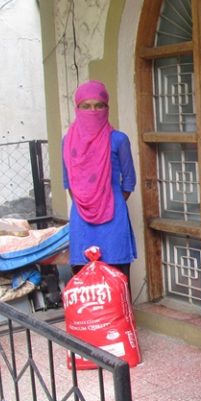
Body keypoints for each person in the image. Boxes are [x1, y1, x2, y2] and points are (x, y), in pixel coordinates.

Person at [62, 80, 137, 279]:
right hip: (81, 217)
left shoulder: (118, 139)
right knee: (85, 278)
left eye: (98, 106)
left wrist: (109, 201)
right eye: (86, 106)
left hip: (113, 216)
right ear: (77, 108)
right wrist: (88, 201)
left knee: (117, 277)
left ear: (107, 108)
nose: (92, 111)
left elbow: (129, 180)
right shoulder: (67, 142)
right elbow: (67, 181)